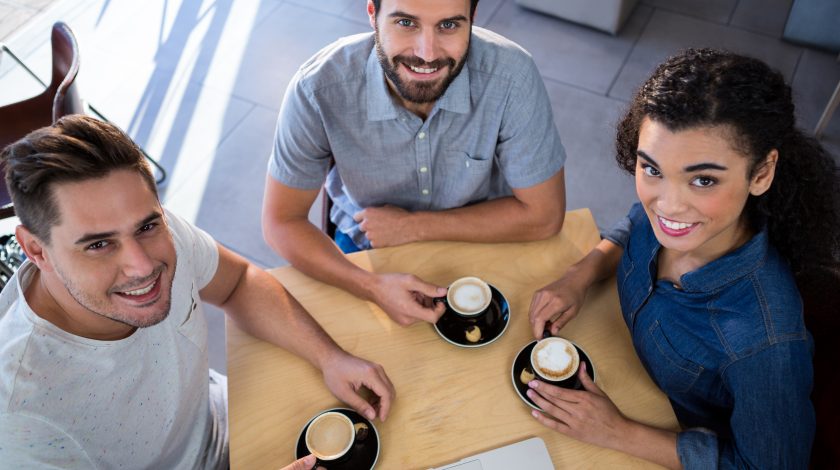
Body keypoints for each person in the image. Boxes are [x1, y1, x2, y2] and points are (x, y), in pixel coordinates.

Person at [0, 115, 395, 469]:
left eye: (146, 227)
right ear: (36, 249)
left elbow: (238, 282)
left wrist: (330, 358)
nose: (142, 266)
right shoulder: (22, 416)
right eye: (98, 245)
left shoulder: (159, 231)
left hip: (232, 418)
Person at [527, 48, 839, 468]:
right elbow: (634, 224)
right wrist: (581, 274)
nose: (668, 206)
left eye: (703, 180)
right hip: (618, 361)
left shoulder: (764, 344)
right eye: (652, 169)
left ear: (761, 174)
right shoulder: (673, 214)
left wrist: (617, 431)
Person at [262, 0, 567, 327]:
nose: (427, 54)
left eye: (449, 25)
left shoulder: (512, 76)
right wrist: (370, 287)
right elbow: (281, 221)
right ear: (372, 15)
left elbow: (544, 216)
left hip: (487, 233)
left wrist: (412, 226)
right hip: (367, 241)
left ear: (472, 20)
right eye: (406, 23)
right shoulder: (317, 87)